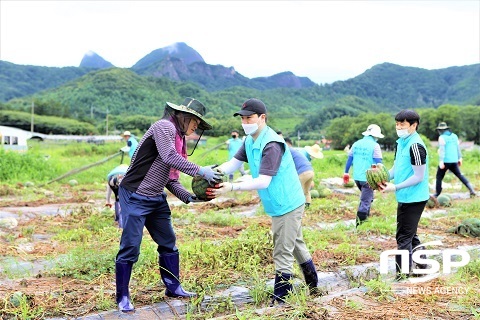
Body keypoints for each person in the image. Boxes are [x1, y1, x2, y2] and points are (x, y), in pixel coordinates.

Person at [114, 97, 223, 312]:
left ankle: (173, 287)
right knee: (131, 245)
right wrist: (201, 171)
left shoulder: (179, 139)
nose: (195, 127)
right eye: (194, 122)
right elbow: (168, 156)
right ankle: (122, 296)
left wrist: (189, 196)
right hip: (135, 194)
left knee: (168, 242)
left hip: (156, 197)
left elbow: (171, 178)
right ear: (184, 117)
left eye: (198, 125)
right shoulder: (164, 126)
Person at [207, 98, 319, 304]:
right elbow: (233, 163)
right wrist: (213, 172)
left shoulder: (272, 143)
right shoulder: (249, 140)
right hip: (278, 202)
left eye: (249, 117)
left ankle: (282, 299)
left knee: (282, 249)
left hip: (287, 203)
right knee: (295, 244)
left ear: (262, 118)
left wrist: (232, 187)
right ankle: (314, 286)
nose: (245, 122)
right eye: (242, 118)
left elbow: (264, 181)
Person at [378, 110, 430, 280]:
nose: (398, 127)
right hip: (405, 195)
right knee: (410, 234)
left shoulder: (416, 146)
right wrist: (382, 176)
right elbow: (396, 168)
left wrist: (396, 187)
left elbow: (418, 176)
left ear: (413, 125)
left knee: (403, 237)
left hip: (414, 198)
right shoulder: (401, 143)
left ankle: (402, 275)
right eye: (397, 124)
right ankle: (422, 264)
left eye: (402, 124)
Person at [343, 124, 384, 226]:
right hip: (368, 178)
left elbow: (349, 159)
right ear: (375, 136)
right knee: (366, 201)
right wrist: (381, 178)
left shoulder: (356, 144)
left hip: (357, 177)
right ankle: (360, 226)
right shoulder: (375, 146)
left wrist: (346, 173)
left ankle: (365, 221)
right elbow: (379, 163)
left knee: (366, 198)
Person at [434, 122, 476, 198]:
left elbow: (442, 150)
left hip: (446, 161)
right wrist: (460, 158)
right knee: (460, 175)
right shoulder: (454, 136)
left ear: (441, 130)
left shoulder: (442, 138)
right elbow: (458, 148)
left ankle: (437, 193)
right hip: (454, 161)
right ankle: (471, 189)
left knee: (439, 177)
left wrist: (441, 161)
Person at [285, 137, 315, 208]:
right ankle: (307, 205)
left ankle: (296, 207)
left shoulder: (288, 151)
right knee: (306, 190)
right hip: (310, 171)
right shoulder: (297, 151)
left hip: (303, 172)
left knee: (296, 189)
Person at [105, 164, 129, 228]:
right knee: (118, 200)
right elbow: (109, 190)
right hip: (115, 187)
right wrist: (108, 200)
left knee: (123, 205)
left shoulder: (128, 179)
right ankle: (119, 221)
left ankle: (122, 223)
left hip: (124, 187)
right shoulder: (111, 181)